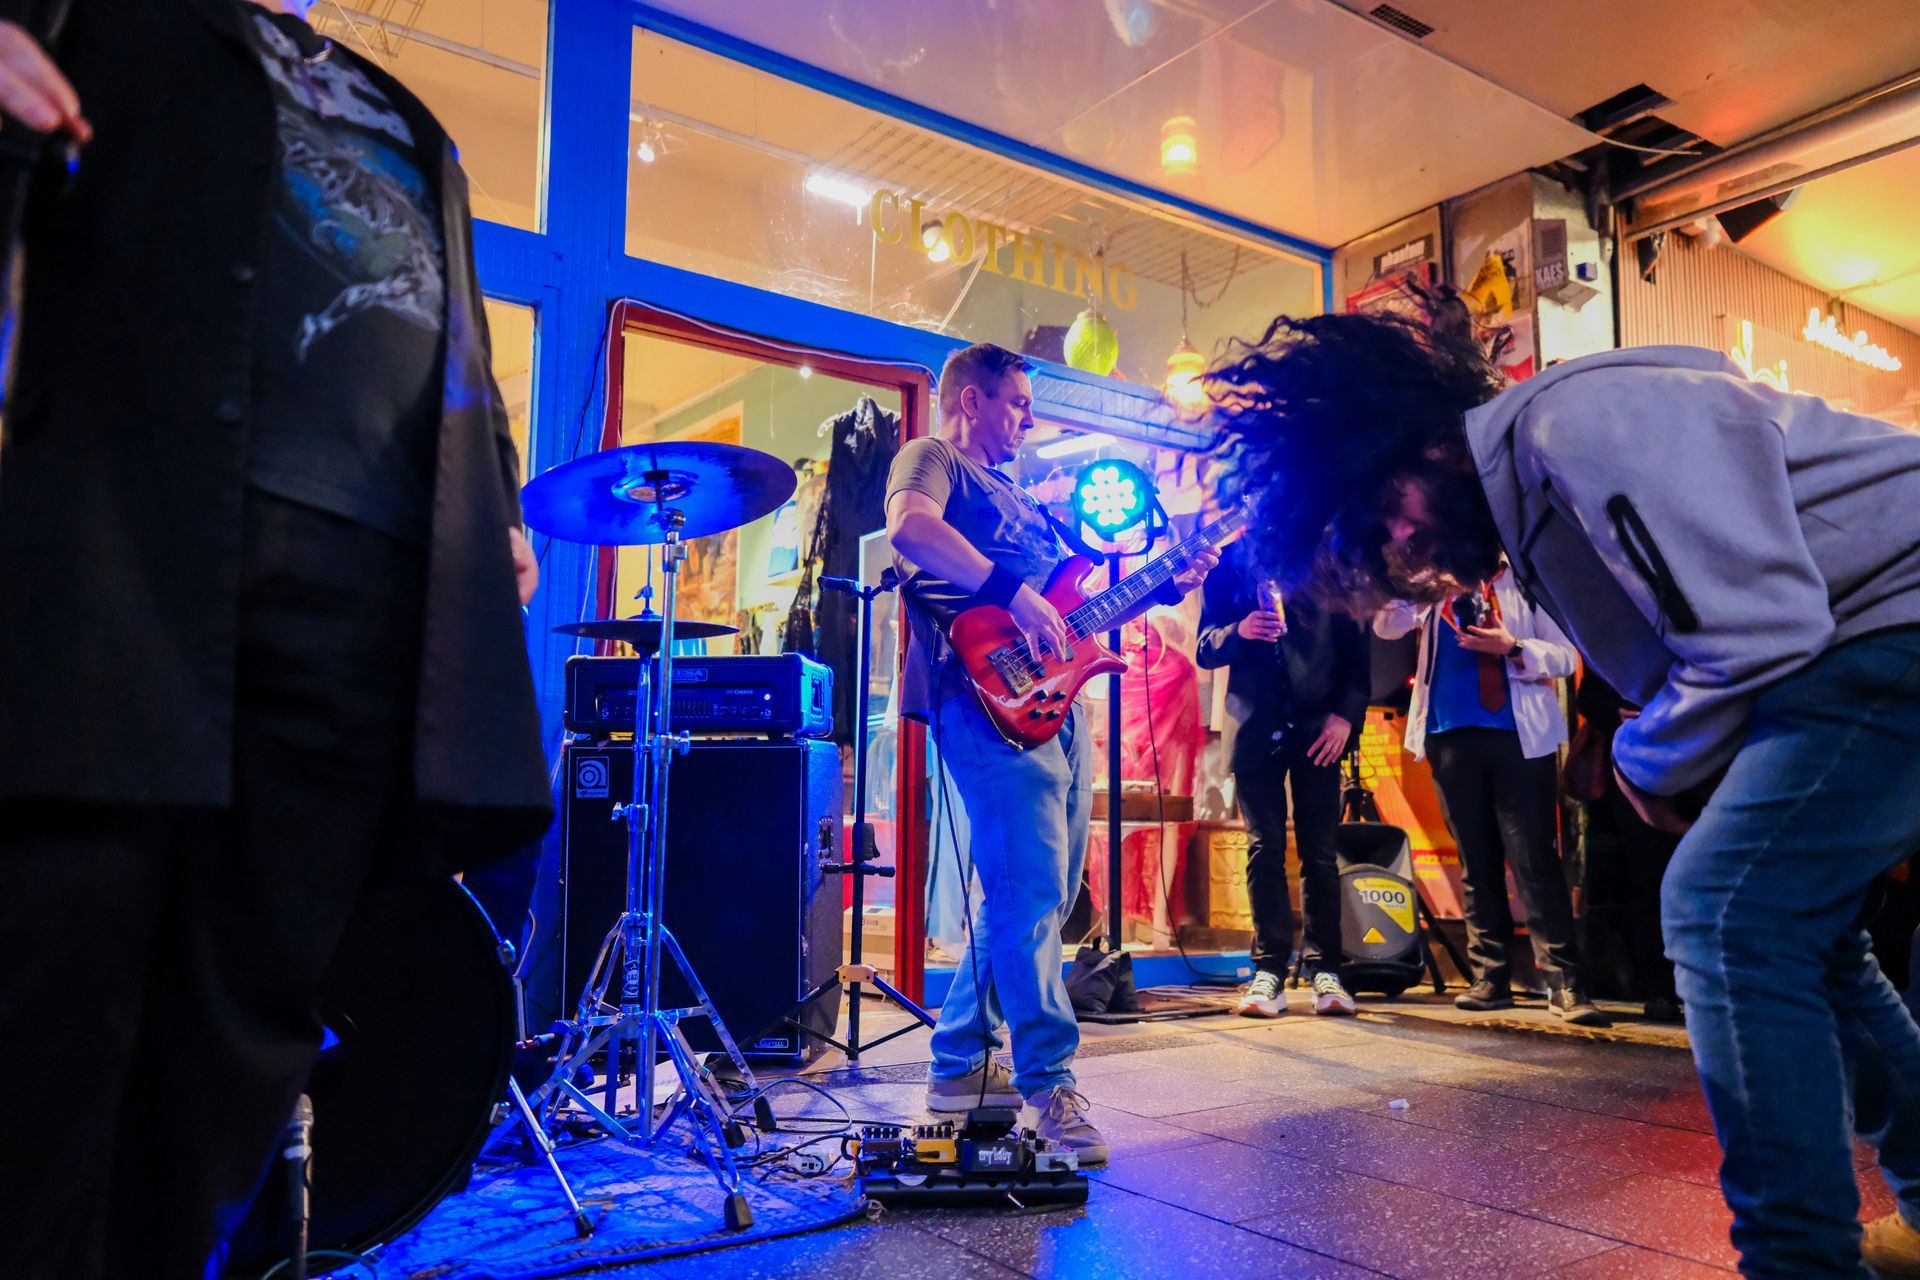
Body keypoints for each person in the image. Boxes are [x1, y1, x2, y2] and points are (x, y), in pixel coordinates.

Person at [1207, 291, 1920, 1279]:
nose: (1402, 556)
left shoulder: (1572, 427)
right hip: (1863, 631)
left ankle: (1800, 1263)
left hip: (1892, 615)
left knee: (1724, 908)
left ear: (1421, 445)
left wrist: (1644, 759)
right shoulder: (1538, 493)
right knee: (1810, 936)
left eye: (1384, 518)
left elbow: (1759, 630)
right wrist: (1670, 750)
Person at [0, 4, 551, 1276]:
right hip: (125, 569)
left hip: (353, 624)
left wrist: (495, 507)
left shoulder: (407, 115)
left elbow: (457, 351)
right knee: (53, 998)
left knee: (236, 1046)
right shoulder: (98, 15)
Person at [885, 342, 1214, 1167]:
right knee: (1029, 890)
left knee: (1043, 892)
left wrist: (1167, 582)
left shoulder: (1026, 498)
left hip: (1054, 703)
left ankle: (960, 1065)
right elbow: (910, 529)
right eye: (1019, 403)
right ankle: (1047, 1085)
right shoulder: (933, 458)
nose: (1030, 420)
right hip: (983, 697)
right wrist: (1013, 594)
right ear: (971, 399)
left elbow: (1076, 613)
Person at [1374, 566, 1608, 1026]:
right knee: (1475, 860)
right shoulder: (1434, 585)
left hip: (1518, 736)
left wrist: (1514, 647)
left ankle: (1564, 980)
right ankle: (1490, 976)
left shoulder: (1524, 579)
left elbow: (1566, 656)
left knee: (1534, 857)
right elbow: (1386, 625)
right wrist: (1418, 583)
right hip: (1446, 734)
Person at [1197, 539, 1369, 1016]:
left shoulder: (1332, 557)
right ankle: (1269, 970)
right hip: (1254, 722)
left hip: (1319, 724)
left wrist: (1345, 718)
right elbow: (1204, 646)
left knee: (1320, 852)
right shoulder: (1229, 563)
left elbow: (1358, 657)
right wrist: (1239, 631)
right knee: (1263, 847)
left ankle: (1325, 969)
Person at [1574, 669, 1683, 1022]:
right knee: (1647, 878)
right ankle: (1659, 987)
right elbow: (1588, 698)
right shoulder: (1616, 642)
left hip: (1697, 758)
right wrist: (1616, 713)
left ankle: (1702, 981)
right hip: (1634, 765)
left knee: (1697, 877)